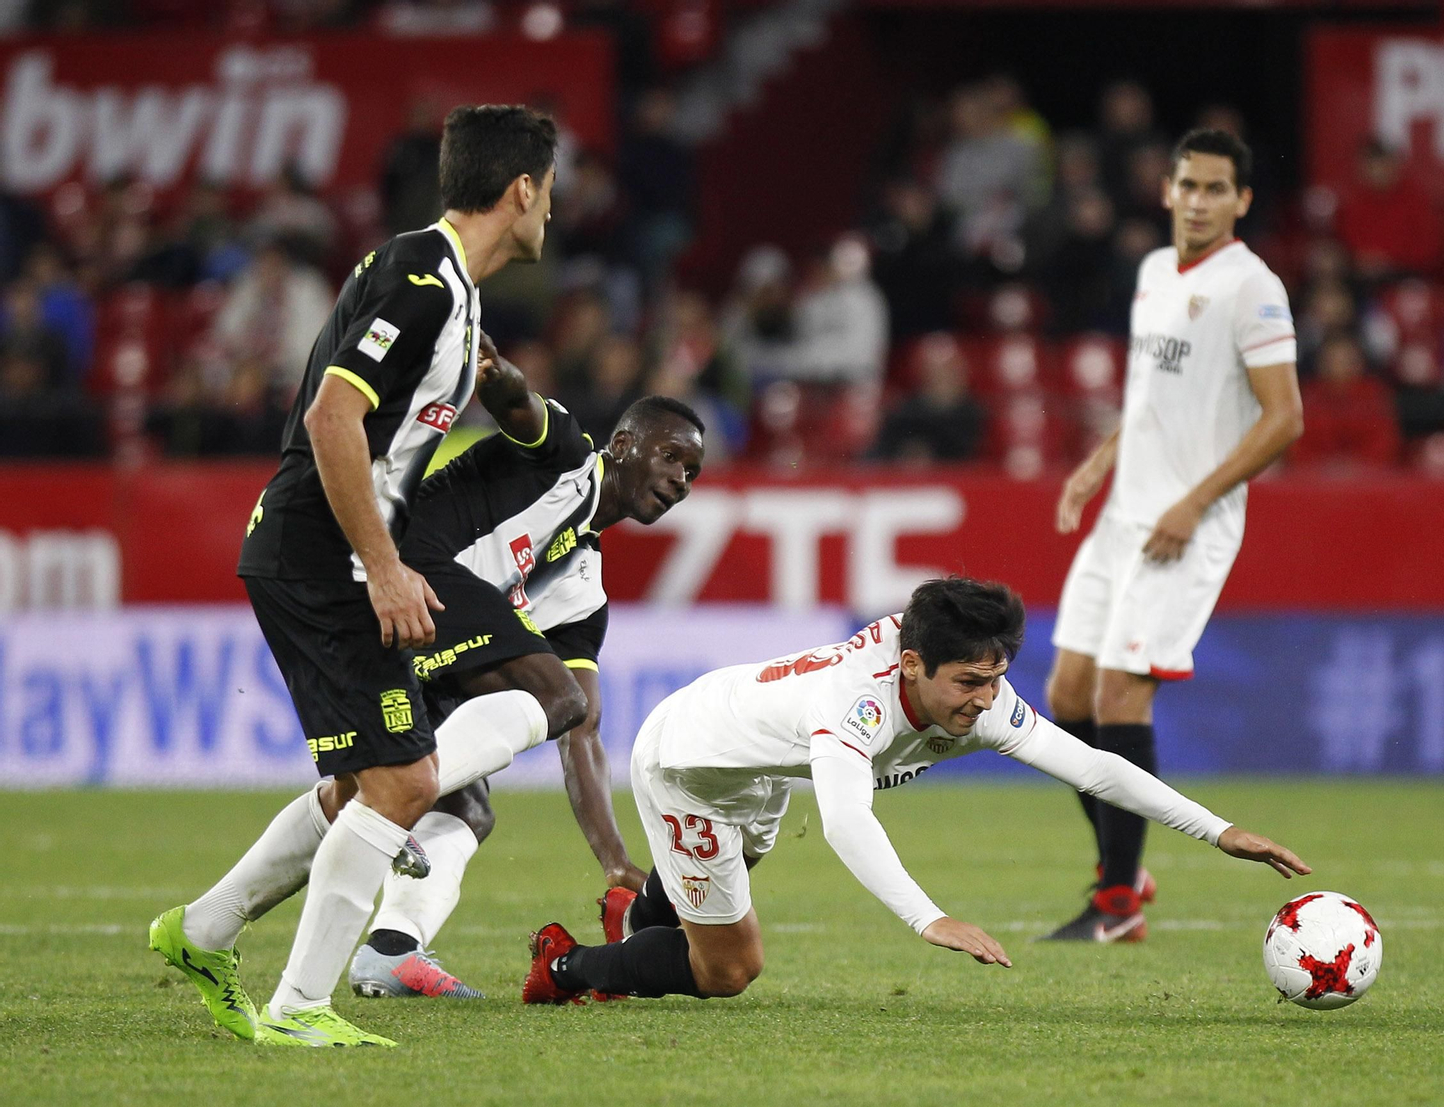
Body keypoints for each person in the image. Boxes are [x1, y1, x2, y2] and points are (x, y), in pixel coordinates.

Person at [148, 105, 560, 1048]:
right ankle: (297, 1008)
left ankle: (204, 931)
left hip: (316, 546)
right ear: (522, 189)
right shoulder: (425, 279)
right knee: (407, 780)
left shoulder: (431, 276)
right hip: (323, 551)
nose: (553, 212)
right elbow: (337, 417)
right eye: (551, 192)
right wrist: (381, 567)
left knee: (363, 784)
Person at [521, 578, 1310, 1005]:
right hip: (689, 766)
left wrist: (1218, 830)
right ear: (910, 666)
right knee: (730, 971)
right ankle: (563, 967)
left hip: (758, 763)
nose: (983, 700)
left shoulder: (977, 690)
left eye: (995, 678)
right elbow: (845, 818)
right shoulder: (852, 706)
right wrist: (928, 916)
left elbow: (1091, 765)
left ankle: (640, 915)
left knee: (706, 910)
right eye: (967, 682)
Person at [345, 345, 705, 999]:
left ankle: (389, 949)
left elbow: (582, 731)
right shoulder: (564, 455)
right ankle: (376, 800)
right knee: (543, 696)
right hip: (387, 579)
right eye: (672, 456)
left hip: (422, 643)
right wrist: (499, 376)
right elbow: (520, 407)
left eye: (694, 471)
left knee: (469, 807)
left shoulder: (584, 593)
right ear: (623, 443)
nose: (682, 478)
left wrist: (615, 861)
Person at [1041, 129, 1303, 943]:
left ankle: (1116, 901)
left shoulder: (1252, 288)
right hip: (1123, 515)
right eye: (1186, 185)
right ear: (1166, 190)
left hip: (1186, 526)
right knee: (1064, 697)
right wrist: (1098, 464)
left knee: (1122, 694)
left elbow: (1286, 417)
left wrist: (1192, 502)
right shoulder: (1156, 273)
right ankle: (1127, 867)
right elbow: (1152, 399)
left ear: (1242, 200)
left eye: (1215, 189)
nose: (1197, 201)